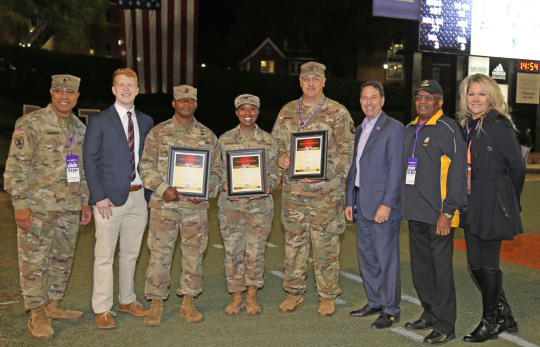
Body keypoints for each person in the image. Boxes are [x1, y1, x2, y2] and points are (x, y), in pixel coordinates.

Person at [4, 74, 92, 340]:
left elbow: (82, 168)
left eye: (70, 93)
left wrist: (85, 201)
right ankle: (36, 312)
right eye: (59, 91)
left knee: (61, 258)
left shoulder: (80, 127)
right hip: (38, 206)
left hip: (69, 205)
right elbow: (15, 167)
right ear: (51, 93)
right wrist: (20, 205)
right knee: (34, 260)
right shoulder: (31, 123)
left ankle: (52, 304)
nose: (64, 96)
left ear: (77, 97)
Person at [271, 62, 355, 316]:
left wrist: (323, 173)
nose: (310, 83)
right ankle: (293, 293)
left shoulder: (338, 113)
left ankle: (327, 295)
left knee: (325, 245)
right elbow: (274, 145)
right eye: (306, 78)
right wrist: (282, 158)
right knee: (294, 244)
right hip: (294, 195)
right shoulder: (287, 111)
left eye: (315, 79)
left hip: (325, 196)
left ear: (324, 82)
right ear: (300, 82)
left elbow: (348, 153)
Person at [140, 85, 221, 326]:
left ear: (196, 104)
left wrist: (207, 189)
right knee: (159, 253)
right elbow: (145, 166)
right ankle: (156, 302)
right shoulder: (158, 133)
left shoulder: (208, 136)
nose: (186, 103)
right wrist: (164, 188)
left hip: (195, 207)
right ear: (173, 103)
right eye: (181, 100)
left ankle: (188, 301)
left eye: (191, 100)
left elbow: (217, 170)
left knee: (193, 254)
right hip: (164, 205)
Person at [83, 68, 154, 329]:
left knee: (131, 254)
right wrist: (98, 196)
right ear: (114, 90)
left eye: (131, 85)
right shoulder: (100, 121)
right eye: (121, 85)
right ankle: (102, 307)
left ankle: (127, 300)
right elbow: (89, 161)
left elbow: (148, 159)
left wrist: (149, 194)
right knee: (104, 256)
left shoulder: (146, 121)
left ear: (137, 90)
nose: (126, 89)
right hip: (109, 200)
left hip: (138, 198)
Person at [457, 74, 525, 343]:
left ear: (491, 97)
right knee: (475, 264)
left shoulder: (499, 124)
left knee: (488, 263)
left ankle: (490, 323)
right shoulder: (467, 125)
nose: (475, 99)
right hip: (472, 199)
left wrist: (508, 198)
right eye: (471, 94)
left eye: (481, 94)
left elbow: (518, 168)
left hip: (493, 198)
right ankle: (504, 313)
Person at [401, 80, 467, 345]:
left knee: (441, 270)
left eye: (429, 97)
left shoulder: (449, 129)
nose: (423, 101)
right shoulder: (410, 128)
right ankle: (429, 313)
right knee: (421, 269)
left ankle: (445, 324)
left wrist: (448, 212)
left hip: (439, 214)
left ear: (440, 102)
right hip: (415, 212)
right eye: (419, 97)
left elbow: (458, 174)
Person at [345, 81, 405, 329]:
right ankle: (375, 301)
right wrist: (350, 200)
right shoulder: (359, 130)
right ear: (360, 101)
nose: (368, 102)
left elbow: (396, 170)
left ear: (382, 100)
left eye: (373, 97)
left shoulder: (394, 128)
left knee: (386, 259)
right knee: (367, 258)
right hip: (361, 202)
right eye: (364, 98)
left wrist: (387, 204)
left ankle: (391, 309)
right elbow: (353, 169)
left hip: (382, 206)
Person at [217, 94, 280, 315]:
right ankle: (236, 295)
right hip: (231, 205)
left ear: (258, 112)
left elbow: (273, 170)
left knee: (255, 250)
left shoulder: (268, 140)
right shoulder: (224, 140)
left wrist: (268, 185)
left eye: (252, 109)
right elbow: (216, 171)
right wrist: (224, 185)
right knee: (233, 250)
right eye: (243, 109)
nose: (247, 113)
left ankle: (252, 294)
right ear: (236, 112)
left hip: (259, 205)